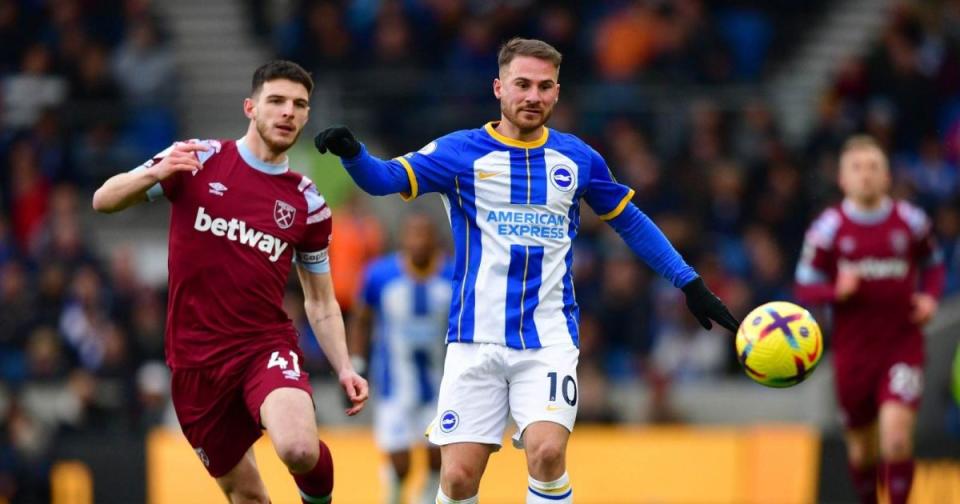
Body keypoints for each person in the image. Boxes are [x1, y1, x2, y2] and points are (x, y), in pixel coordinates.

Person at [314, 38, 738, 504]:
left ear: (557, 93)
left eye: (544, 86)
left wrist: (689, 282)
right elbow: (385, 179)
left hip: (549, 339)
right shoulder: (460, 153)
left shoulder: (577, 159)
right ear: (499, 88)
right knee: (456, 479)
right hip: (474, 340)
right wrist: (353, 154)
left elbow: (630, 221)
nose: (533, 96)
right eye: (522, 85)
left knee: (547, 452)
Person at [92, 60, 368, 504]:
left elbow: (321, 302)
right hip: (194, 364)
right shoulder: (196, 158)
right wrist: (153, 174)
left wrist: (344, 366)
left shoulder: (308, 202)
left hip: (263, 346)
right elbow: (103, 200)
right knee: (248, 495)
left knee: (298, 448)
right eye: (276, 101)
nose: (287, 113)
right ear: (250, 107)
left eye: (299, 105)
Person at [795, 135, 945, 504]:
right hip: (854, 353)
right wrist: (835, 292)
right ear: (843, 179)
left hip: (901, 343)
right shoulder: (828, 229)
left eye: (874, 167)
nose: (866, 175)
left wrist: (929, 297)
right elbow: (804, 286)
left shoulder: (910, 221)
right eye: (857, 168)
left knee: (895, 439)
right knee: (862, 451)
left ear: (887, 176)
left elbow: (934, 265)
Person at [350, 213, 452, 504]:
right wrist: (357, 362)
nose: (419, 241)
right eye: (413, 234)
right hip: (394, 385)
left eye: (425, 234)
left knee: (437, 456)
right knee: (400, 463)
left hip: (440, 386)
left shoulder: (453, 275)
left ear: (436, 240)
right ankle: (394, 496)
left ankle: (425, 499)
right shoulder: (379, 275)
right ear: (403, 240)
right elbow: (361, 318)